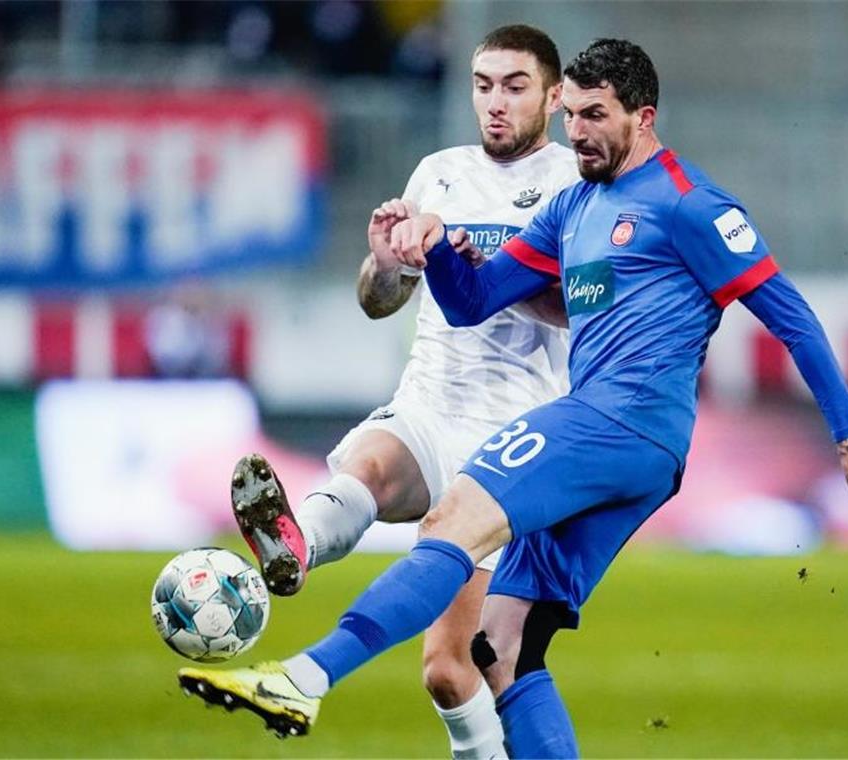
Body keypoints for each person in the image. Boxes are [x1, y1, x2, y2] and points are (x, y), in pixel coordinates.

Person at [180, 38, 848, 758]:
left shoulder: (689, 205)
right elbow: (477, 303)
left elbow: (792, 318)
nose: (579, 131)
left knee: (452, 520)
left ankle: (303, 678)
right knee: (501, 646)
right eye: (573, 118)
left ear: (643, 117)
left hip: (621, 421)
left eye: (596, 115)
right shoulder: (572, 208)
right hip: (623, 444)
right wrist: (439, 253)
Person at [181, 24, 579, 759]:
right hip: (430, 402)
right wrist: (388, 263)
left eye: (515, 87)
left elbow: (575, 308)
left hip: (515, 436)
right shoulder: (438, 171)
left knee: (451, 668)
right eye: (483, 84)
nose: (495, 103)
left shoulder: (572, 184)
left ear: (554, 98)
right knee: (363, 466)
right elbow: (378, 299)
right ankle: (295, 548)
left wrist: (480, 268)